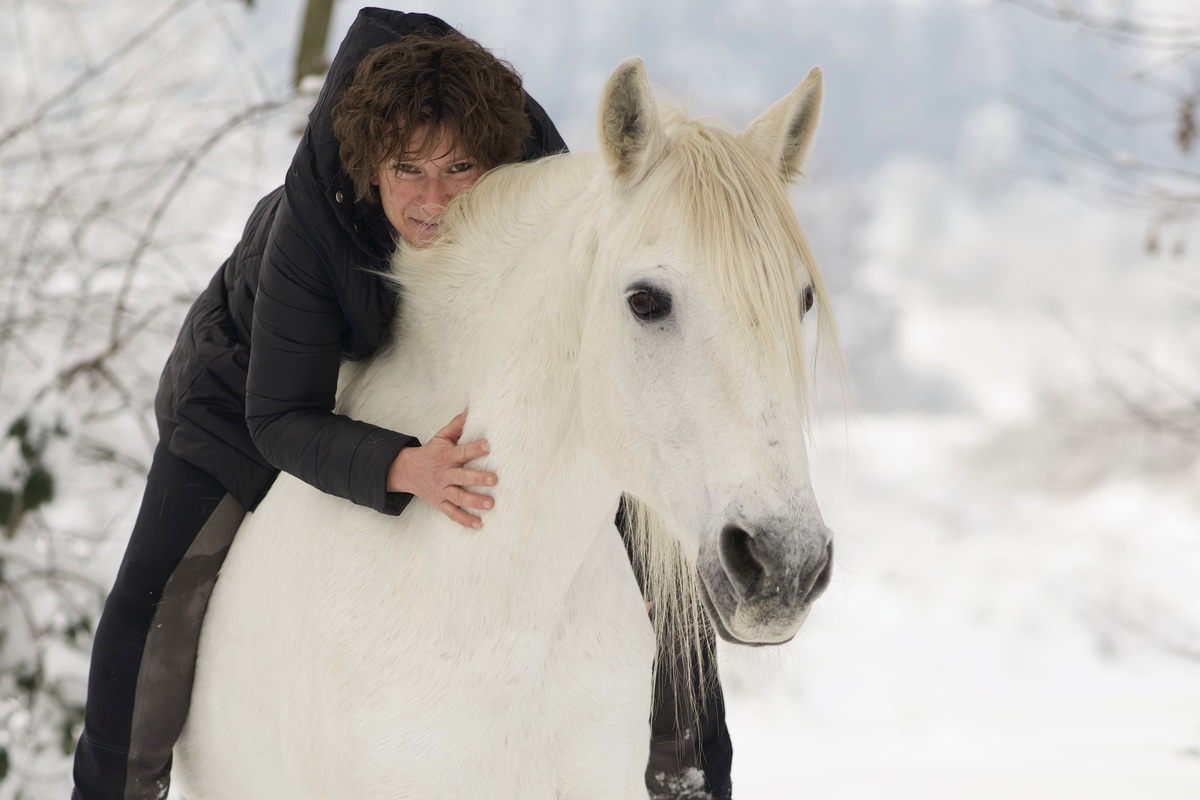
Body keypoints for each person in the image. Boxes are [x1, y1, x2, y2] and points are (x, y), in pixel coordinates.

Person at [71, 9, 731, 800]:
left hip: (439, 356)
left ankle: (692, 776)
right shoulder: (315, 220)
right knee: (158, 596)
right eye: (408, 171)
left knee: (652, 550)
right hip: (250, 384)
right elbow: (278, 416)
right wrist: (397, 465)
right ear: (369, 171)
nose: (434, 200)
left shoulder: (539, 184)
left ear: (501, 159)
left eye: (459, 170)